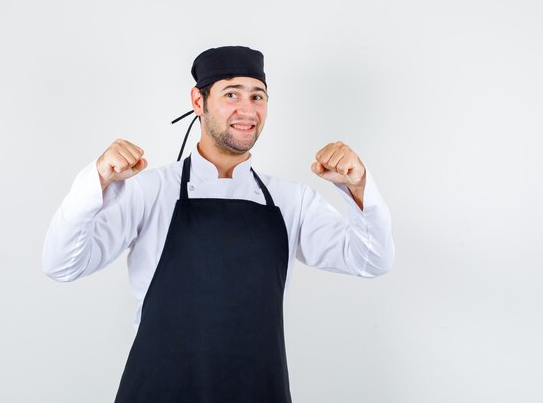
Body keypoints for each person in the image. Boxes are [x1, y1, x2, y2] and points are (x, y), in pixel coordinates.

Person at [42, 45, 395, 403]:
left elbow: (371, 260)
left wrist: (358, 187)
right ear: (199, 101)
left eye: (258, 96)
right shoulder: (148, 191)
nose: (248, 109)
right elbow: (62, 265)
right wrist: (96, 183)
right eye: (231, 94)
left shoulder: (292, 200)